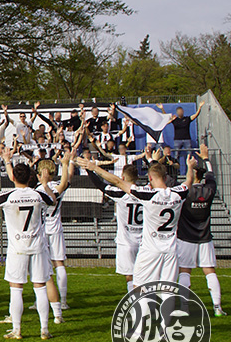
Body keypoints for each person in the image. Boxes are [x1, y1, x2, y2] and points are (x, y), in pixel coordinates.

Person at [76, 156, 194, 289]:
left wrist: (92, 168)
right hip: (167, 248)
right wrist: (190, 167)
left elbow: (114, 182)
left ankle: (138, 302)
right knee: (166, 288)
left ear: (150, 177)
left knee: (137, 284)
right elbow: (189, 181)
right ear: (165, 178)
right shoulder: (176, 193)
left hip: (144, 247)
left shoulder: (144, 194)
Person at [0, 161, 57, 340]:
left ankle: (17, 330)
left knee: (16, 288)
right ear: (31, 177)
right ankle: (44, 329)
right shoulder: (38, 194)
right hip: (37, 246)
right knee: (40, 287)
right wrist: (45, 184)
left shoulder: (9, 196)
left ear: (13, 177)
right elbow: (53, 200)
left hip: (17, 248)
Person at [175, 144, 223, 316]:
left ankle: (184, 307)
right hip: (205, 238)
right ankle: (217, 307)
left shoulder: (185, 192)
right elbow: (212, 176)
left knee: (185, 272)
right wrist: (206, 158)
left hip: (186, 238)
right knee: (210, 272)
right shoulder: (209, 190)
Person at [87, 164, 143, 293]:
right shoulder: (145, 192)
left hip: (126, 242)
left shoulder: (121, 193)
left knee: (130, 276)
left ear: (123, 177)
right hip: (143, 241)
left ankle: (134, 301)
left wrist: (89, 170)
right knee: (144, 276)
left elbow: (100, 185)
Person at [35, 152, 75, 310]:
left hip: (42, 227)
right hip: (56, 226)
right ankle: (63, 300)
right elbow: (68, 178)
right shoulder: (60, 186)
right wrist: (67, 163)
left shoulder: (38, 189)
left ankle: (40, 300)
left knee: (41, 265)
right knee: (59, 263)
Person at [168, 104, 204, 175]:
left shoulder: (187, 119)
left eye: (181, 111)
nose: (180, 112)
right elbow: (166, 119)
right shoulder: (175, 120)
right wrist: (162, 109)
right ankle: (176, 171)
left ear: (183, 111)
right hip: (177, 140)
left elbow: (195, 115)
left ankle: (190, 171)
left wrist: (200, 107)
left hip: (187, 139)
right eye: (179, 111)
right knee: (176, 156)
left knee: (189, 155)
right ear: (177, 112)